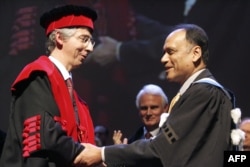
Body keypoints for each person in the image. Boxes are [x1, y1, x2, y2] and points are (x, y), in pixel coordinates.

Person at [73, 23, 237, 167]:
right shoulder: (207, 93)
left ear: (195, 53)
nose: (163, 59)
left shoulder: (202, 93)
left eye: (170, 52)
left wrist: (102, 153)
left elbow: (162, 148)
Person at [0, 4, 99, 167]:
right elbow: (45, 136)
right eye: (84, 39)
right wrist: (86, 154)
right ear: (59, 38)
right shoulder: (38, 76)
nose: (90, 48)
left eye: (91, 41)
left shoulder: (78, 100)